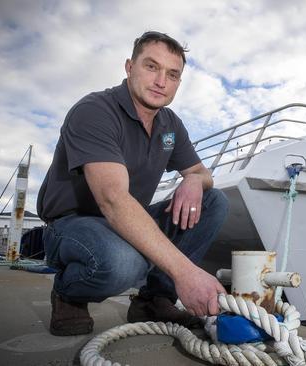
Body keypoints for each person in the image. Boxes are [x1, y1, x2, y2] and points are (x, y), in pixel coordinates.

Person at [37, 31, 229, 336]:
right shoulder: (96, 110)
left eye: (172, 74)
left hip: (121, 220)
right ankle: (67, 293)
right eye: (151, 67)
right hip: (74, 223)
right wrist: (186, 274)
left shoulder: (170, 125)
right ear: (129, 67)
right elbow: (113, 199)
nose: (161, 81)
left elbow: (203, 173)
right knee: (124, 264)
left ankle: (154, 301)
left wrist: (193, 179)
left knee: (213, 201)